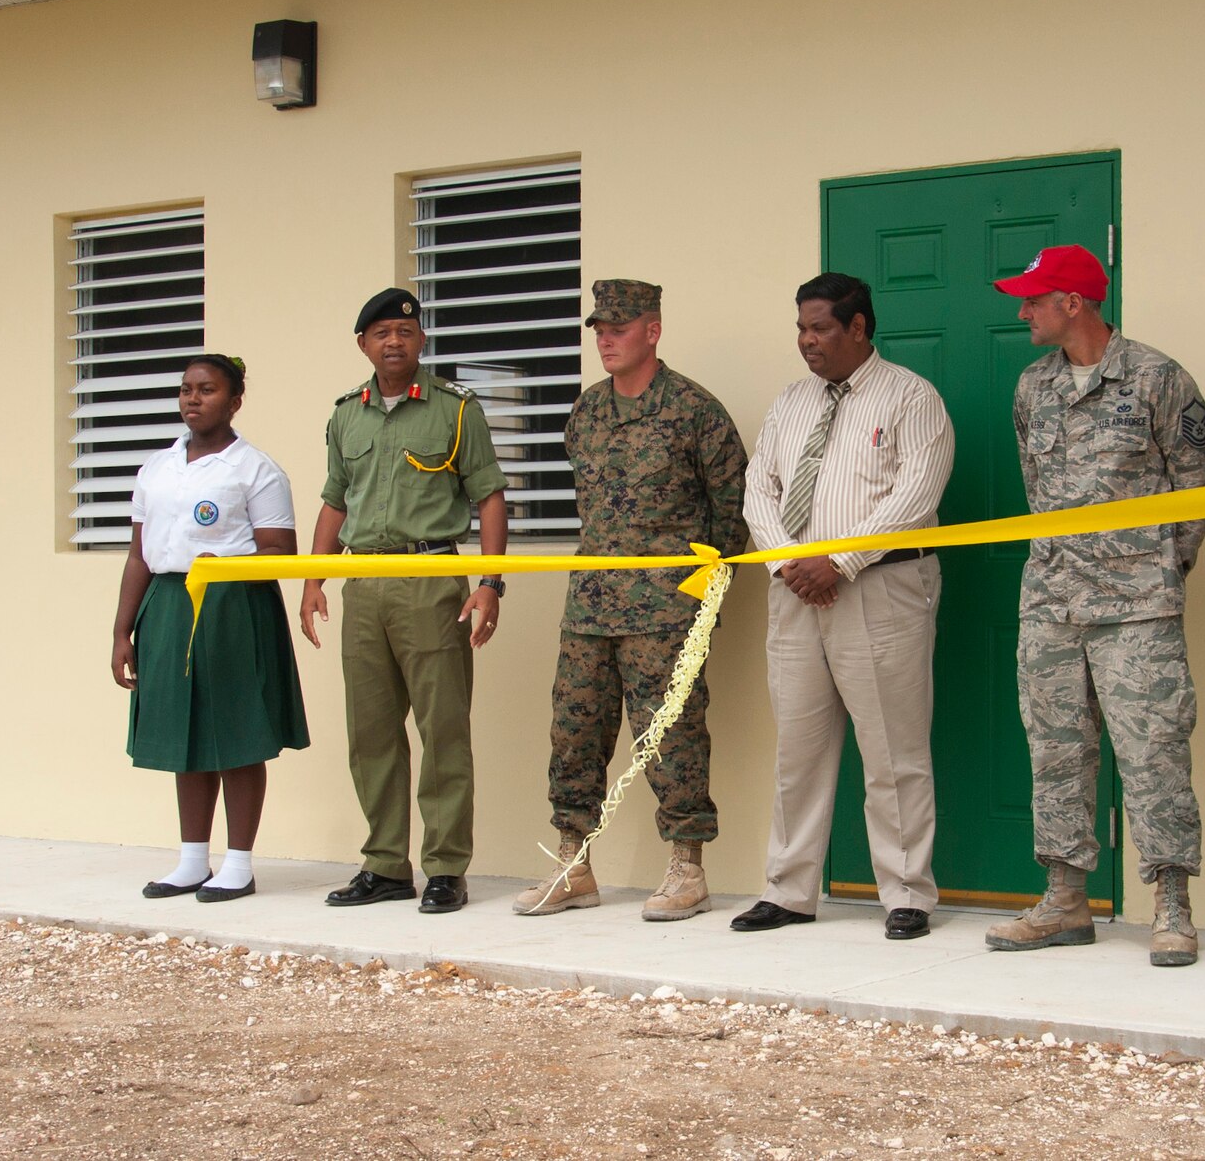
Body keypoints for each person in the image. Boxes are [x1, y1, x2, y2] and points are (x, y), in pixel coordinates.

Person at [983, 245, 1205, 967]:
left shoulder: (1156, 377)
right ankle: (1064, 899)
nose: (1022, 311)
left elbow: (1199, 486)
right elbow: (1035, 483)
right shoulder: (1032, 386)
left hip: (1137, 606)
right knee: (1055, 747)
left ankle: (1172, 906)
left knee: (1153, 754)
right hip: (1053, 598)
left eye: (1033, 299)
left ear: (1073, 303)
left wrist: (1156, 568)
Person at [516, 279, 749, 920]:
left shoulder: (695, 410)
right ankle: (572, 862)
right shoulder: (588, 411)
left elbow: (732, 515)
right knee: (575, 733)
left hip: (665, 613)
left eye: (619, 327)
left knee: (671, 735)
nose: (606, 339)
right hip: (590, 606)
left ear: (654, 330)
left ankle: (687, 869)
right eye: (598, 328)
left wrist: (698, 600)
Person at [732, 272, 955, 940]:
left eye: (820, 328)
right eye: (800, 328)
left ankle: (907, 892)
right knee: (798, 749)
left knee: (894, 750)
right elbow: (758, 490)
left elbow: (916, 494)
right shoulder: (792, 402)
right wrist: (788, 562)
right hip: (796, 593)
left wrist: (842, 560)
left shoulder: (912, 398)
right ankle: (790, 890)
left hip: (881, 590)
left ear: (858, 328)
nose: (807, 341)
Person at [299, 287, 509, 915]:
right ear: (363, 344)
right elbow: (336, 501)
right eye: (381, 332)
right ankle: (385, 865)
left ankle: (446, 867)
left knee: (442, 728)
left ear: (421, 341)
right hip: (362, 584)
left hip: (429, 579)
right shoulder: (346, 415)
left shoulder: (454, 409)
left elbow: (490, 496)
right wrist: (315, 579)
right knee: (370, 732)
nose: (394, 341)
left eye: (405, 332)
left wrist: (490, 584)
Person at [111, 353, 309, 903]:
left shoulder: (256, 470)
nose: (193, 399)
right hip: (170, 606)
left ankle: (239, 864)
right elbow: (139, 557)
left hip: (232, 607)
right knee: (187, 732)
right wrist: (122, 631)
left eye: (208, 389)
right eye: (186, 389)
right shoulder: (156, 469)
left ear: (235, 400)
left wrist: (220, 563)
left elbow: (278, 550)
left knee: (236, 734)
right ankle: (191, 859)